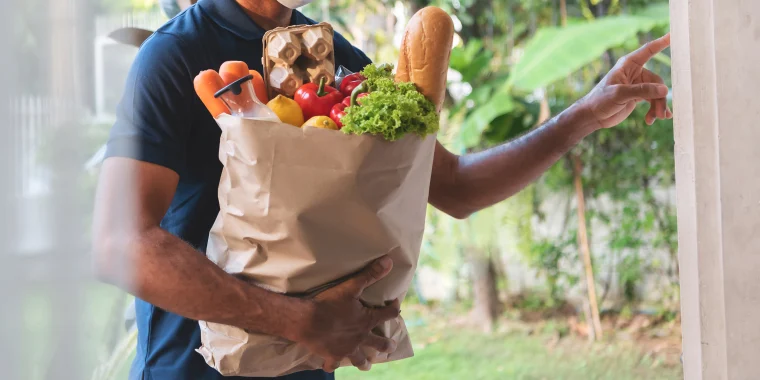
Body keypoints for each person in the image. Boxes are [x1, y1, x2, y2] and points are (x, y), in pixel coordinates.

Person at [91, 0, 672, 379]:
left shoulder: (335, 56)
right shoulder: (173, 56)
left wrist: (587, 114)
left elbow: (455, 187)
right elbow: (122, 244)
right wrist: (295, 319)